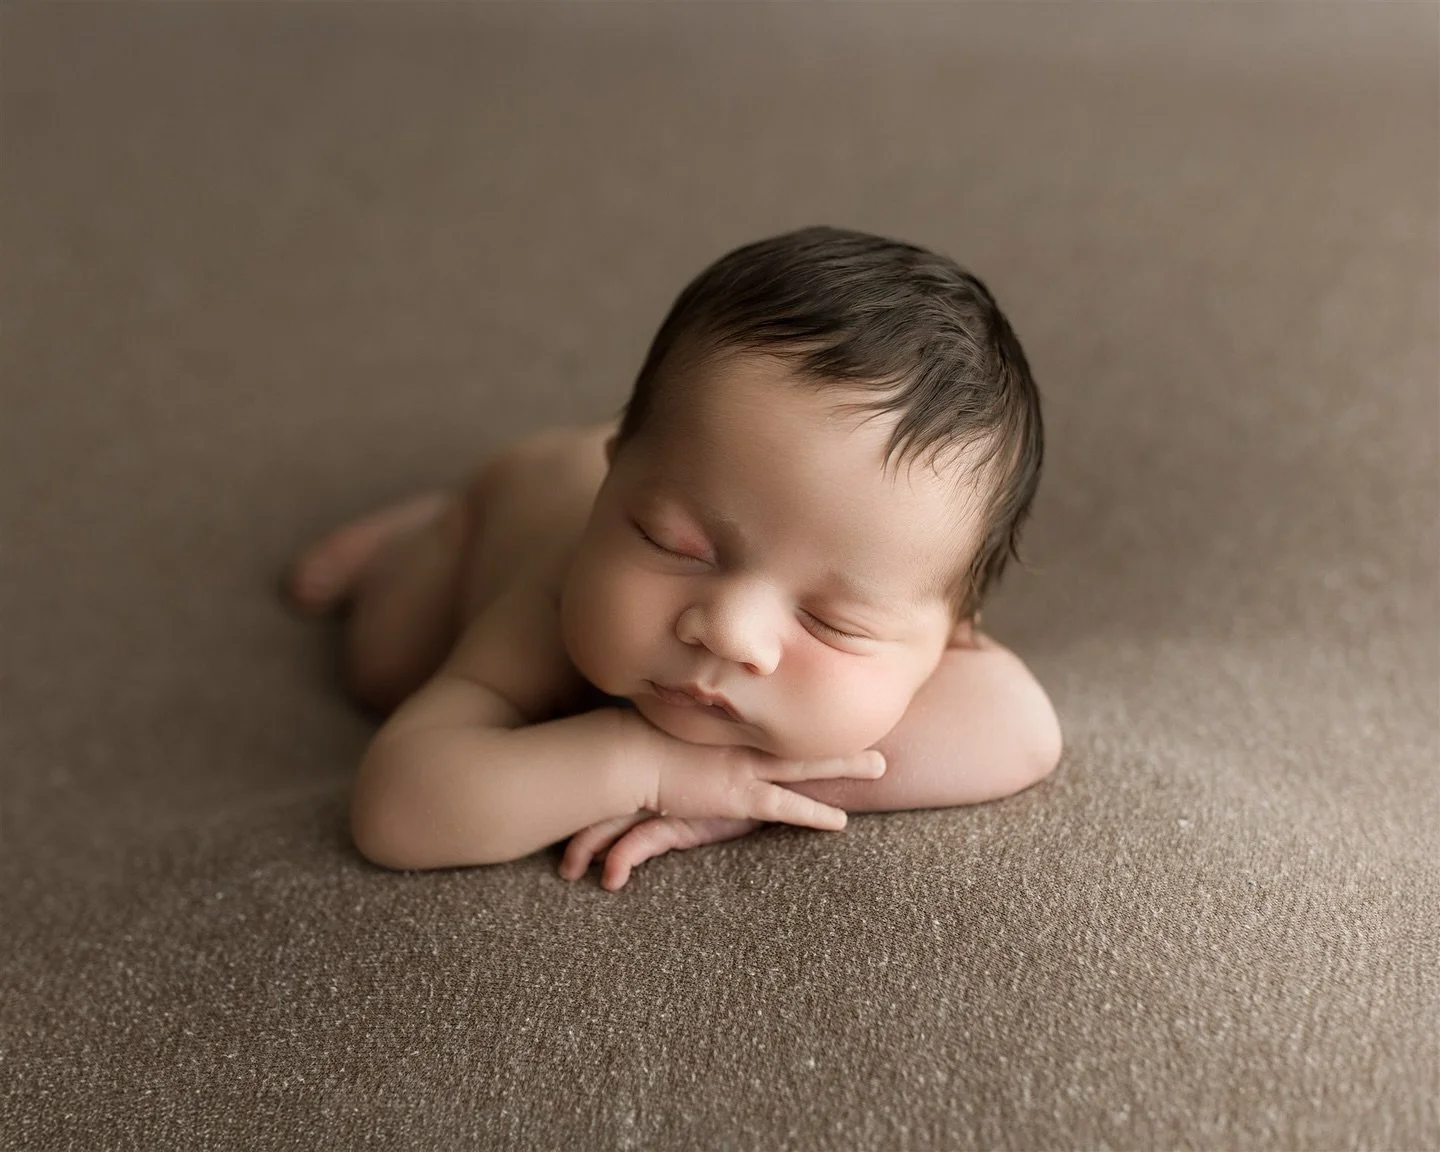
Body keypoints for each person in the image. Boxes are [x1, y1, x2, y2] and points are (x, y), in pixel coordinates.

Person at [285, 226, 1063, 891]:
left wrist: (736, 792)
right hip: (512, 510)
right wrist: (640, 763)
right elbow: (398, 810)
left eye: (834, 621)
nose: (730, 631)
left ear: (954, 635)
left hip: (635, 465)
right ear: (612, 487)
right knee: (383, 667)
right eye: (672, 543)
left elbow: (1022, 729)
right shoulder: (553, 602)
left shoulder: (912, 603)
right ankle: (421, 528)